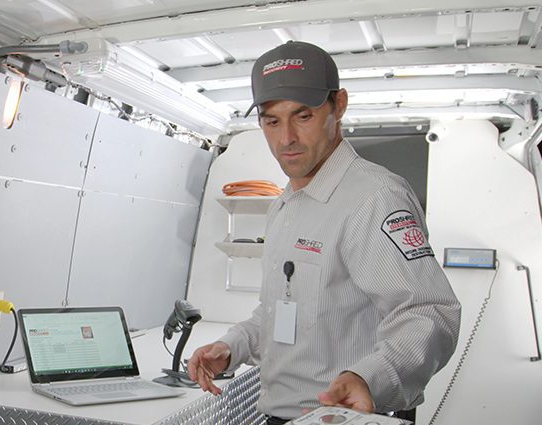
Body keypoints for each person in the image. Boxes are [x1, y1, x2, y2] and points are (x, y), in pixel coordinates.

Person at [187, 41, 461, 424]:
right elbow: (283, 313)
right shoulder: (286, 205)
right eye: (271, 121)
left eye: (303, 116)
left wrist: (368, 378)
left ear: (339, 105)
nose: (286, 140)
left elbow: (429, 313)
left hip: (350, 416)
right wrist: (231, 346)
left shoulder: (374, 198)